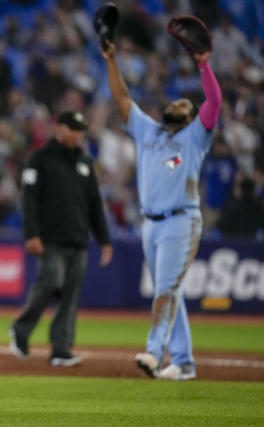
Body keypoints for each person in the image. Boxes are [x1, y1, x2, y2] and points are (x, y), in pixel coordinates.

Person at [101, 38, 222, 380]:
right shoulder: (149, 131)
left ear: (191, 116)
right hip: (150, 224)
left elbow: (214, 101)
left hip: (181, 221)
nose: (178, 103)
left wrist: (203, 65)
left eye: (185, 103)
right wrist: (111, 59)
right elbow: (122, 98)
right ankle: (183, 362)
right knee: (170, 290)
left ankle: (155, 352)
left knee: (166, 289)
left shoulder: (196, 136)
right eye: (176, 100)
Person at [9, 110, 113, 367]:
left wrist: (104, 240)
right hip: (50, 238)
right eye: (73, 128)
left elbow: (94, 205)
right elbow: (29, 200)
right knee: (50, 283)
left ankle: (61, 350)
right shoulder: (40, 159)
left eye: (80, 130)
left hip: (78, 238)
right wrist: (31, 234)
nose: (77, 134)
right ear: (59, 128)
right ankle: (21, 330)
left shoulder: (86, 163)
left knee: (70, 295)